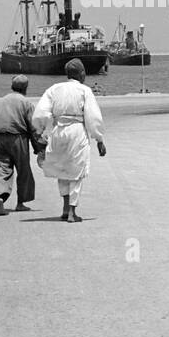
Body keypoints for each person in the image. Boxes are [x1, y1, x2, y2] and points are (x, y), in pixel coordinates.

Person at [33, 58, 106, 223]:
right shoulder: (84, 90)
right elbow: (93, 117)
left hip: (59, 130)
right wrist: (99, 139)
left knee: (62, 170)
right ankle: (72, 212)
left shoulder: (54, 89)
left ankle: (65, 208)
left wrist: (40, 131)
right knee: (77, 172)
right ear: (81, 73)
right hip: (77, 131)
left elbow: (41, 113)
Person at [0, 75, 45, 215]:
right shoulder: (26, 103)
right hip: (19, 140)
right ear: (25, 88)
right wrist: (39, 148)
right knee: (23, 171)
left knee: (2, 170)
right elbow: (33, 128)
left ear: (12, 86)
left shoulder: (0, 102)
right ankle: (20, 203)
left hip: (1, 139)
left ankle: (0, 200)